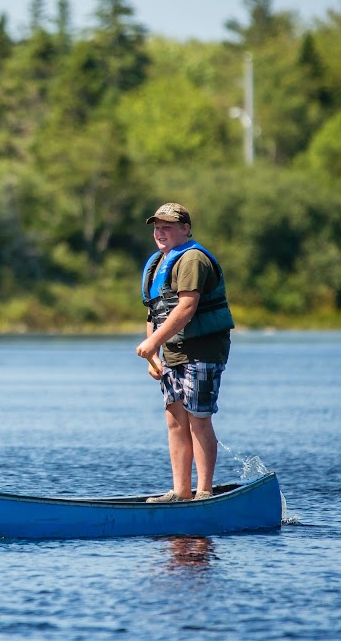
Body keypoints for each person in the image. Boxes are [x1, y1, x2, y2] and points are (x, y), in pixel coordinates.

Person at [136, 202, 235, 502]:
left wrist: (153, 344)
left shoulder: (191, 259)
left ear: (186, 229)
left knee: (197, 417)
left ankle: (203, 492)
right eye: (157, 227)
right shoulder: (158, 263)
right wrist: (153, 355)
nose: (160, 232)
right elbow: (155, 313)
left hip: (201, 350)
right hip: (173, 352)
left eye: (168, 227)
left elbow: (187, 307)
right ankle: (181, 493)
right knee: (175, 419)